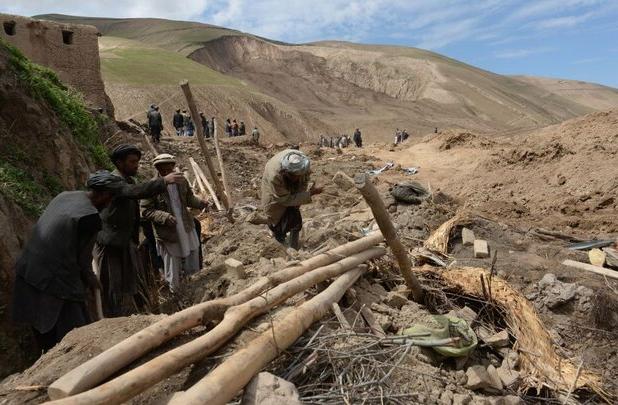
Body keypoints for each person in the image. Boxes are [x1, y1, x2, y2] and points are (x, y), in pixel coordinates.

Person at [11, 171, 123, 352]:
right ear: (103, 194)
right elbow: (84, 263)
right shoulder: (90, 217)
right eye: (110, 198)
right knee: (73, 335)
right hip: (54, 280)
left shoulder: (66, 196)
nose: (109, 203)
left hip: (28, 270)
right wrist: (94, 281)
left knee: (44, 331)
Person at [93, 144, 184, 317]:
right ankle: (113, 321)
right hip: (110, 243)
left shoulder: (128, 180)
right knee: (112, 285)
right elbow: (134, 192)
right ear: (120, 163)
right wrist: (164, 181)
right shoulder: (113, 181)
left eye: (137, 161)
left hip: (125, 241)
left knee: (132, 281)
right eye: (132, 161)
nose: (136, 165)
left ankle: (137, 313)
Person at [141, 154, 209, 292]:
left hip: (185, 225)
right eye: (163, 169)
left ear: (173, 167)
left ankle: (194, 286)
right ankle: (175, 292)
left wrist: (201, 203)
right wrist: (164, 216)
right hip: (168, 231)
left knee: (193, 253)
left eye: (169, 168)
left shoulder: (181, 181)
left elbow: (189, 199)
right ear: (158, 169)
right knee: (173, 261)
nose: (167, 171)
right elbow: (145, 210)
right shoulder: (152, 186)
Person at [261, 149, 322, 250]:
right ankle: (279, 244)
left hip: (290, 185)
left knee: (295, 217)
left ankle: (293, 247)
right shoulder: (275, 177)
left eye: (299, 176)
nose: (297, 179)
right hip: (274, 193)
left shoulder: (304, 164)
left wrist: (300, 196)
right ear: (287, 172)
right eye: (294, 176)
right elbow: (285, 200)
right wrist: (309, 194)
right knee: (276, 218)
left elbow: (304, 182)